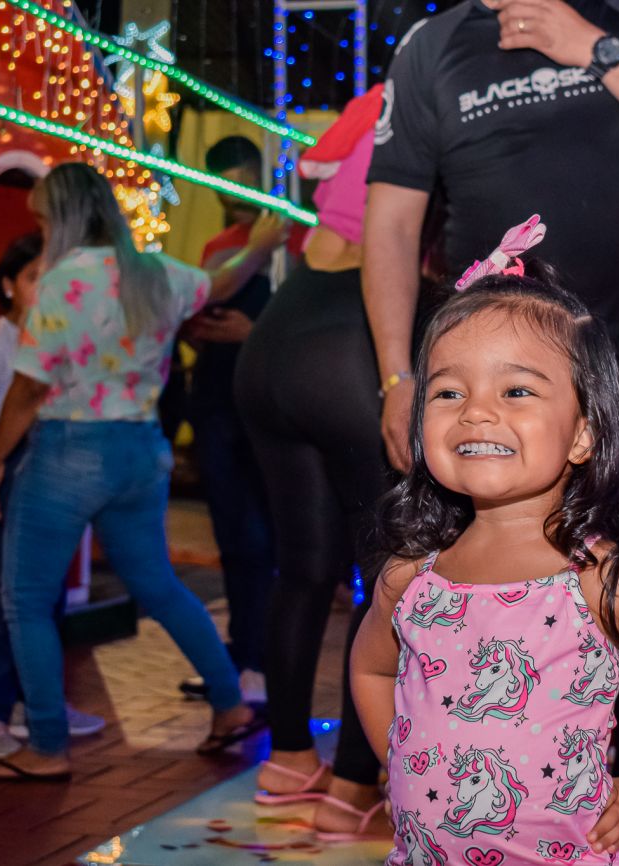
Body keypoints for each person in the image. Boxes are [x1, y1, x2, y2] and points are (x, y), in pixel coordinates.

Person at [364, 4, 619, 859]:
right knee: (456, 578)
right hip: (492, 389)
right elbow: (390, 222)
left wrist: (593, 48)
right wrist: (399, 377)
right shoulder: (432, 47)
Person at [350, 257, 619, 863]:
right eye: (448, 392)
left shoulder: (602, 578)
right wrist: (400, 759)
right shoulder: (410, 578)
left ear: (583, 434)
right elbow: (371, 671)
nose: (476, 411)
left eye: (516, 391)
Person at [0, 163, 289, 781]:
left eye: (43, 219)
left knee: (26, 601)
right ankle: (230, 705)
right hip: (142, 451)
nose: (41, 231)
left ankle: (47, 746)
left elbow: (28, 388)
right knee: (160, 586)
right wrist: (258, 247)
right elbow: (222, 284)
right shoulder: (155, 272)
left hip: (69, 450)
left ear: (62, 217)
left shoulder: (62, 282)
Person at [233, 85, 393, 836]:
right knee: (390, 571)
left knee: (302, 569)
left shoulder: (372, 104)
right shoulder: (446, 98)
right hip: (349, 334)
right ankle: (354, 783)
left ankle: (289, 760)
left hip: (279, 333)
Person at [0, 233, 105, 760]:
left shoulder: (54, 341)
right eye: (36, 277)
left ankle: (30, 704)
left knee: (41, 595)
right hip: (8, 467)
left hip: (47, 470)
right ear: (8, 286)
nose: (48, 288)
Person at [174, 135, 293, 706]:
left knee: (262, 537)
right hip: (216, 402)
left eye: (241, 182)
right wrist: (198, 330)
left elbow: (304, 329)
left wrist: (254, 334)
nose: (232, 197)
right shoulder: (220, 246)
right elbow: (198, 308)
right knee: (231, 535)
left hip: (267, 406)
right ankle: (242, 657)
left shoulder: (292, 239)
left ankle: (261, 661)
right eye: (222, 186)